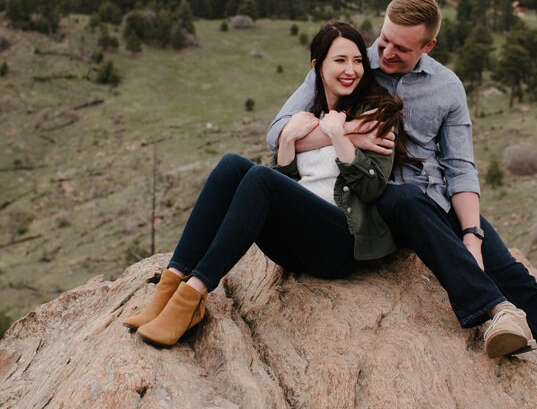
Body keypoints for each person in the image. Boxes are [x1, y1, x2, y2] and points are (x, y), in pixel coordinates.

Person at [267, 0, 537, 409]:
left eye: (402, 48)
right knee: (409, 200)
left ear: (428, 47)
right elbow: (277, 131)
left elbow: (460, 167)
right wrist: (351, 132)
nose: (386, 53)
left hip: (434, 200)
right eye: (385, 39)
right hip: (377, 198)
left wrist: (471, 235)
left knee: (514, 277)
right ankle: (489, 313)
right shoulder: (352, 62)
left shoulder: (447, 86)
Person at [124, 21, 413, 348]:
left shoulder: (378, 114)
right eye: (340, 60)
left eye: (358, 60)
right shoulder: (307, 112)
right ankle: (170, 286)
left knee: (261, 176)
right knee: (233, 164)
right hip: (296, 246)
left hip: (339, 244)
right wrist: (288, 140)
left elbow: (373, 189)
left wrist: (338, 135)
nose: (351, 70)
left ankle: (192, 297)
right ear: (318, 67)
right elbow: (287, 184)